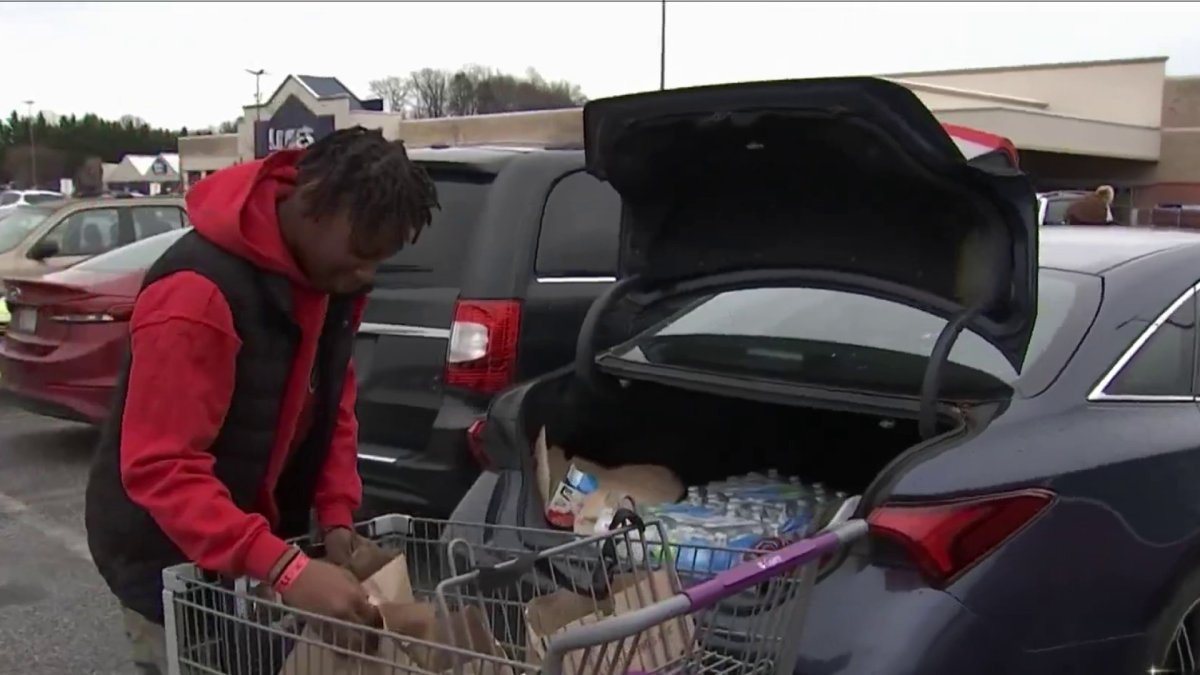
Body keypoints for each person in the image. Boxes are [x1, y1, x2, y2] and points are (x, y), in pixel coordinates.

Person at [84, 126, 439, 675]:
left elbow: (330, 404)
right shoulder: (197, 294)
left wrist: (335, 514)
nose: (366, 273)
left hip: (256, 556)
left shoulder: (327, 280)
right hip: (170, 561)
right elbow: (162, 467)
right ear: (314, 202)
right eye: (361, 253)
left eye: (380, 260)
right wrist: (285, 568)